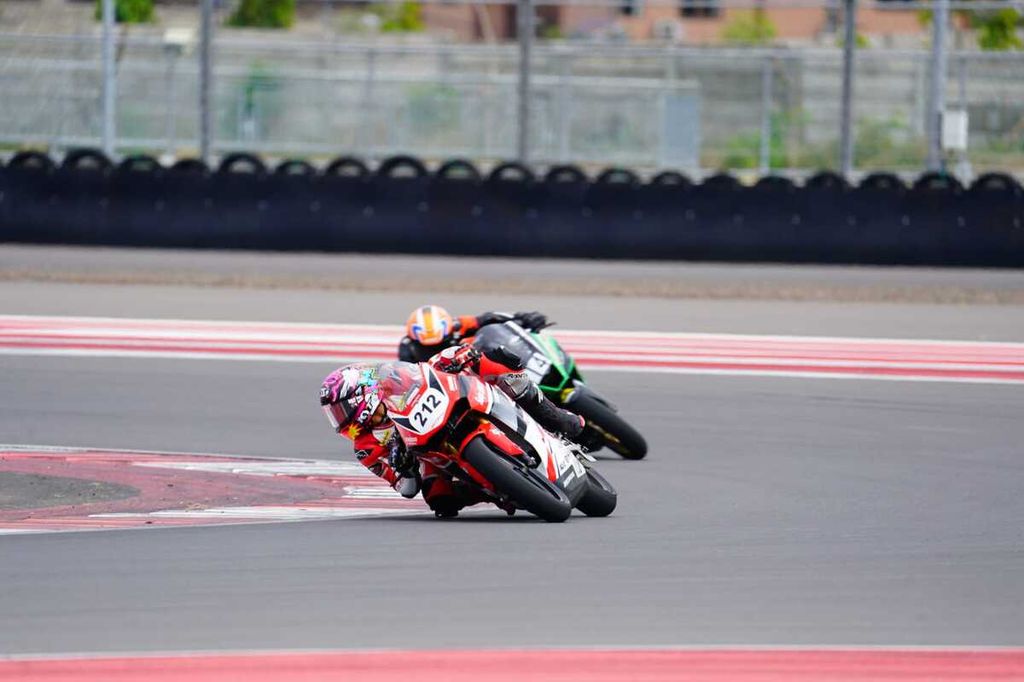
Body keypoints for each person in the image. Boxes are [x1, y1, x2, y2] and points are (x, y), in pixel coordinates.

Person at [319, 346, 585, 518]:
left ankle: (556, 416)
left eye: (341, 410)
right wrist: (404, 470)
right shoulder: (366, 448)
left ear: (361, 394)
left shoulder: (391, 380)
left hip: (448, 404)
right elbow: (405, 488)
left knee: (490, 359)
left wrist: (457, 357)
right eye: (335, 415)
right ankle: (502, 490)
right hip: (430, 454)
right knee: (440, 500)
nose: (341, 420)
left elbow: (422, 370)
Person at [398, 304, 548, 363]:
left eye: (439, 345)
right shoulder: (406, 348)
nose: (431, 351)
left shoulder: (459, 325)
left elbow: (488, 318)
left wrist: (523, 318)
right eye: (425, 348)